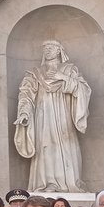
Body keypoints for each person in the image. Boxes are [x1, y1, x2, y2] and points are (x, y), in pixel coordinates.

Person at [13, 40, 91, 192]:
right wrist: (24, 112)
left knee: (65, 144)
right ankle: (47, 183)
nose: (47, 50)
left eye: (51, 47)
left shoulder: (69, 69)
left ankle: (68, 183)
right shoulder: (35, 73)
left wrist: (62, 76)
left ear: (59, 51)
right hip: (43, 115)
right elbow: (26, 93)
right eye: (45, 48)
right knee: (45, 146)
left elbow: (83, 89)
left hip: (63, 115)